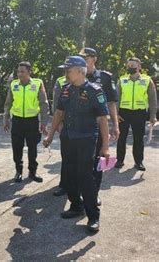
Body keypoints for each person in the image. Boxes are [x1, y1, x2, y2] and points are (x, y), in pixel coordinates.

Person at [44, 56, 110, 233]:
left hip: (86, 139)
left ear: (80, 71)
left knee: (85, 177)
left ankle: (93, 216)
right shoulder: (66, 89)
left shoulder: (95, 90)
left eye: (68, 70)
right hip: (68, 138)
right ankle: (76, 206)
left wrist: (105, 146)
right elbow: (58, 113)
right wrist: (50, 135)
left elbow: (102, 119)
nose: (65, 73)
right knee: (70, 175)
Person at [79, 47, 119, 206]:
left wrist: (115, 124)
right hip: (79, 127)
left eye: (86, 58)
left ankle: (94, 194)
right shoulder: (75, 76)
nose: (83, 61)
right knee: (81, 162)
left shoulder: (105, 78)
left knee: (97, 161)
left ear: (94, 58)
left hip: (97, 128)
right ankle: (81, 193)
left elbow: (111, 103)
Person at [3, 61, 49, 183]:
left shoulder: (38, 84)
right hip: (17, 121)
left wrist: (44, 122)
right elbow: (8, 103)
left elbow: (44, 104)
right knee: (17, 147)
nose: (20, 74)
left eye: (22, 71)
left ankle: (32, 172)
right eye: (18, 71)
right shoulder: (14, 84)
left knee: (32, 148)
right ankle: (18, 171)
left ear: (29, 72)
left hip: (32, 121)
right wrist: (6, 119)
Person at [115, 57, 157, 171]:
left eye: (132, 66)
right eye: (128, 66)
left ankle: (138, 162)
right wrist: (116, 113)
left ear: (139, 67)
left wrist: (153, 115)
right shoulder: (122, 80)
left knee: (138, 139)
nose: (130, 68)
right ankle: (119, 160)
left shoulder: (147, 80)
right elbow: (116, 99)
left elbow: (153, 100)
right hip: (123, 113)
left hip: (139, 113)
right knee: (121, 138)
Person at [51, 73, 69, 196]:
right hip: (66, 124)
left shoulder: (88, 82)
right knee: (66, 157)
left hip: (84, 127)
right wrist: (58, 124)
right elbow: (56, 104)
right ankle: (64, 185)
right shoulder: (61, 81)